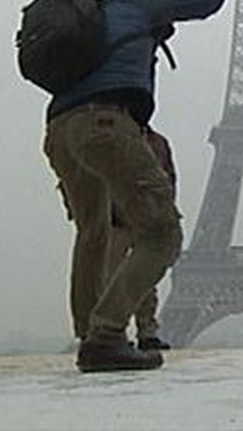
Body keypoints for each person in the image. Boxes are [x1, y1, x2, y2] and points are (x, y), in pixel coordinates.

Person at [44, 0, 224, 371]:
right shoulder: (136, 4)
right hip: (105, 122)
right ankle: (106, 335)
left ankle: (90, 335)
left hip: (59, 129)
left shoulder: (91, 17)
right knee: (162, 234)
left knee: (92, 233)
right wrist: (163, 9)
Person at [106, 126, 176, 352]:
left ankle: (144, 330)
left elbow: (168, 178)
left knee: (142, 278)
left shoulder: (157, 142)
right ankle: (114, 329)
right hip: (119, 217)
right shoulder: (151, 142)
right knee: (113, 275)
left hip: (144, 217)